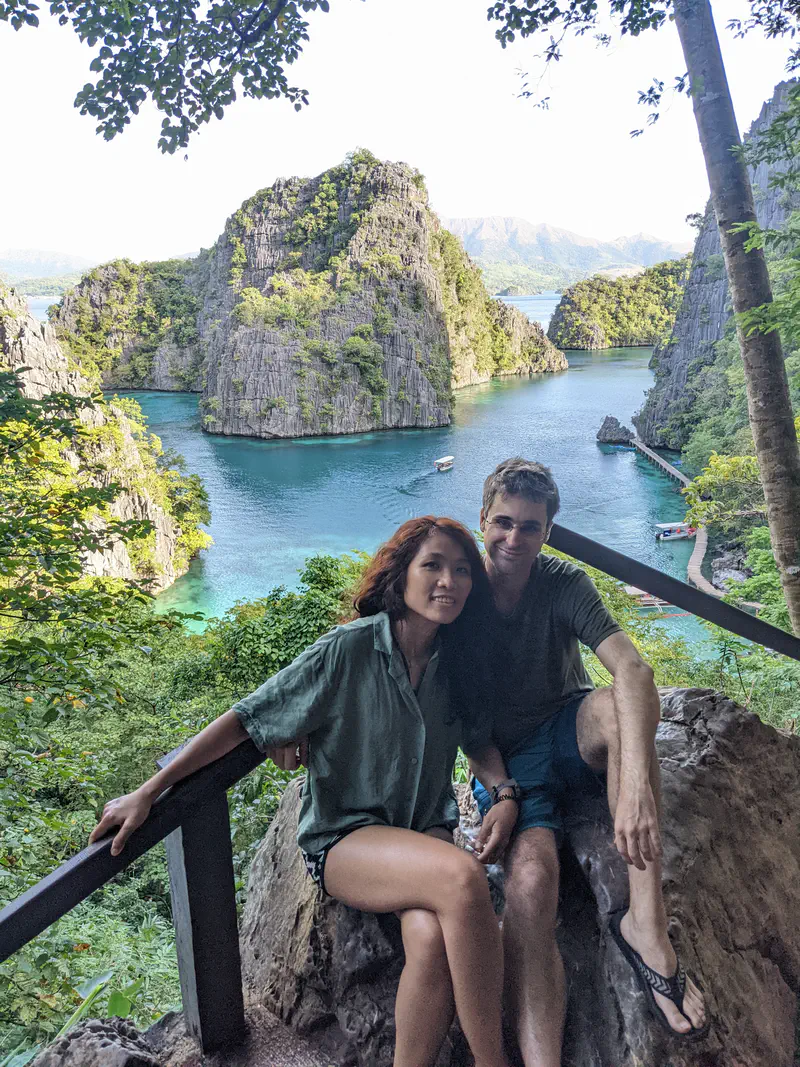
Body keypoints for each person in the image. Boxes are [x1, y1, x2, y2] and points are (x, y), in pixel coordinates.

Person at [89, 516, 518, 1067]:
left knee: (432, 944)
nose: (449, 581)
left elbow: (476, 740)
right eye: (431, 565)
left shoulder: (454, 661)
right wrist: (149, 791)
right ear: (400, 576)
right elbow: (248, 719)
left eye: (462, 570)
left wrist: (503, 792)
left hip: (422, 831)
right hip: (347, 837)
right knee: (463, 878)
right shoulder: (350, 650)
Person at [466, 458, 709, 1066]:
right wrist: (501, 793)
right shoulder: (460, 594)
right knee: (530, 886)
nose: (514, 539)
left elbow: (634, 669)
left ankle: (646, 927)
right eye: (503, 523)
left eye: (530, 526)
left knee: (617, 707)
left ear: (549, 531)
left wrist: (633, 790)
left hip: (567, 727)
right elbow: (453, 716)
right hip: (510, 766)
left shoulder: (563, 584)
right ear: (482, 520)